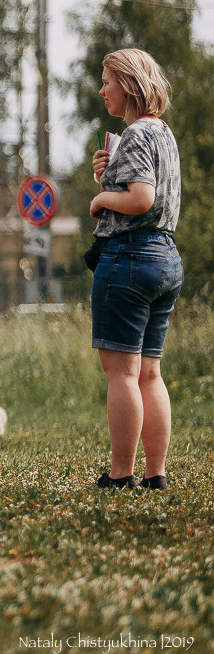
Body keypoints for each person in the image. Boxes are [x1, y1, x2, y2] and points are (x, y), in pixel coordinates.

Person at [89, 48, 182, 491]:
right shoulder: (162, 134)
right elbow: (152, 195)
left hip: (129, 258)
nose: (101, 89)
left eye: (107, 80)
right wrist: (108, 177)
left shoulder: (136, 135)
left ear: (127, 84)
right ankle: (155, 474)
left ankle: (121, 473)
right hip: (165, 257)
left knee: (122, 374)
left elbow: (140, 200)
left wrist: (102, 199)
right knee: (150, 372)